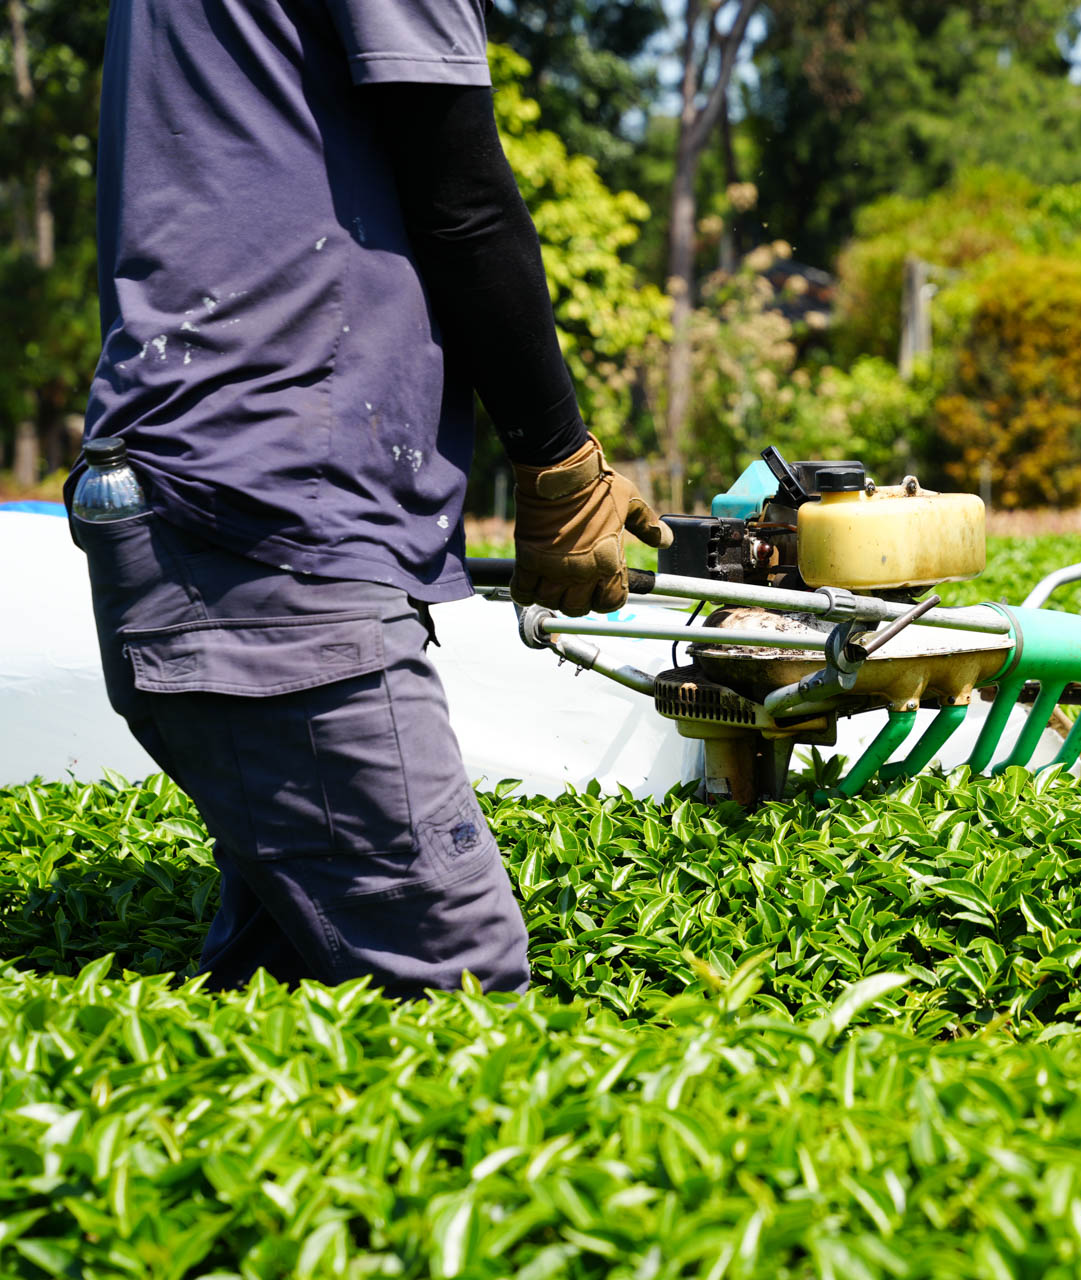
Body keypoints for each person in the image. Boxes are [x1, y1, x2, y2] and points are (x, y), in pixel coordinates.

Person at [71, 0, 669, 993]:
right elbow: (462, 199)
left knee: (288, 998)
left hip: (204, 507)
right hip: (268, 529)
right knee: (461, 1002)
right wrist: (561, 469)